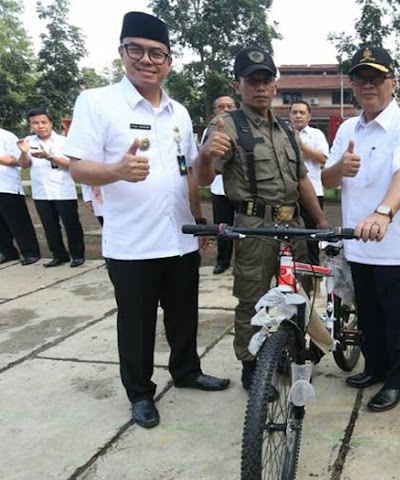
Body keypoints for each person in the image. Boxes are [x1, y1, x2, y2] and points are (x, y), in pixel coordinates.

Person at [63, 11, 230, 429]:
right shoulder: (97, 102)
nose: (147, 59)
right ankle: (140, 393)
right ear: (122, 52)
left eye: (157, 53)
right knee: (136, 324)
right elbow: (78, 168)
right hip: (132, 242)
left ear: (169, 61)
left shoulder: (178, 112)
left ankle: (187, 370)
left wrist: (198, 212)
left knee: (183, 314)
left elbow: (190, 172)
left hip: (180, 236)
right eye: (136, 49)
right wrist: (116, 171)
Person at [195, 46, 329, 390]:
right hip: (255, 226)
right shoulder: (226, 124)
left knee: (298, 292)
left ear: (274, 86)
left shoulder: (285, 130)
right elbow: (205, 179)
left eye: (266, 80)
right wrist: (207, 156)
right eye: (252, 80)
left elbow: (301, 180)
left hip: (293, 225)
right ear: (238, 84)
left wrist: (320, 223)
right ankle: (251, 365)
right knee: (252, 299)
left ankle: (290, 351)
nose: (260, 87)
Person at [322, 46, 400, 413]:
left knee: (399, 319)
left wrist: (384, 213)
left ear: (392, 83)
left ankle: (398, 381)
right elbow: (327, 179)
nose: (369, 85)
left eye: (377, 77)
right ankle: (376, 368)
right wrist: (341, 168)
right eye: (361, 78)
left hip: (398, 243)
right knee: (368, 314)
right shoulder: (348, 128)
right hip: (358, 242)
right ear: (352, 85)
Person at [17, 108, 85, 268]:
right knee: (49, 226)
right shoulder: (28, 141)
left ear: (50, 123)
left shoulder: (63, 141)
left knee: (71, 224)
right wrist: (23, 153)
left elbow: (72, 165)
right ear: (30, 125)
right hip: (41, 192)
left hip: (63, 190)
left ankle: (77, 255)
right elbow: (24, 165)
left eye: (43, 122)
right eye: (35, 123)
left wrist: (49, 156)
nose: (40, 126)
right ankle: (59, 255)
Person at [289, 100, 329, 266]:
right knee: (288, 233)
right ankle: (290, 268)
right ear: (289, 115)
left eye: (302, 112)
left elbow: (323, 158)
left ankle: (313, 268)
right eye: (294, 112)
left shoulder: (317, 134)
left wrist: (301, 146)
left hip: (313, 192)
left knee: (312, 232)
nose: (298, 115)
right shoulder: (282, 134)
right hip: (288, 193)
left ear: (309, 116)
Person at [204, 95, 237, 274]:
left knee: (244, 229)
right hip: (219, 188)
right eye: (221, 107)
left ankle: (242, 264)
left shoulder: (243, 129)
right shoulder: (210, 132)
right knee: (222, 228)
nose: (226, 110)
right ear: (214, 112)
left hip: (241, 190)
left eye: (230, 106)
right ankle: (222, 261)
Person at [0, 127, 41, 265]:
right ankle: (7, 252)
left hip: (7, 186)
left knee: (18, 222)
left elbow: (19, 161)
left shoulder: (7, 136)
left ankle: (30, 252)